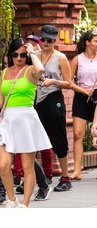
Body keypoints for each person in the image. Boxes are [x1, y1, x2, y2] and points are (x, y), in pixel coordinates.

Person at [0, 38, 52, 208]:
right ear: (10, 55)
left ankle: (25, 205)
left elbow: (41, 68)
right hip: (8, 121)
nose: (19, 57)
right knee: (3, 165)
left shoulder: (31, 70)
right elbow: (0, 100)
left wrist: (32, 52)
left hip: (27, 121)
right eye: (15, 54)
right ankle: (13, 200)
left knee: (27, 166)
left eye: (23, 54)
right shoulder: (3, 73)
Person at [34, 25, 73, 192]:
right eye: (42, 39)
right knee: (35, 137)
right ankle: (36, 176)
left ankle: (65, 177)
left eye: (49, 40)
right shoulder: (34, 55)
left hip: (54, 97)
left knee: (58, 137)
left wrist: (54, 82)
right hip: (37, 98)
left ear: (54, 41)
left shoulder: (61, 57)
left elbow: (69, 83)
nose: (45, 43)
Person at [13, 34, 53, 186]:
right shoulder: (19, 62)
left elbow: (40, 69)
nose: (29, 47)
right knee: (22, 144)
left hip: (40, 103)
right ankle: (19, 174)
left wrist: (32, 53)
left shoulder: (37, 61)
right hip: (21, 108)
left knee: (41, 142)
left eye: (33, 44)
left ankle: (46, 176)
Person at [69, 29, 97, 180]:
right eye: (96, 41)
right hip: (81, 96)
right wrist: (82, 90)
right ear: (88, 43)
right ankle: (77, 170)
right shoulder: (77, 59)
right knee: (78, 134)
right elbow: (68, 82)